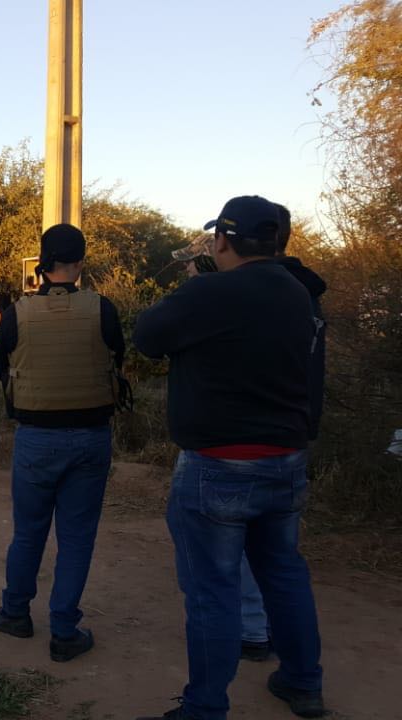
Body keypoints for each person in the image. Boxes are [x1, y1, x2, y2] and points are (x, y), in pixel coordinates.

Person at [134, 196, 324, 720]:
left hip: (219, 466)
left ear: (222, 239)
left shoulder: (211, 291)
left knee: (212, 590)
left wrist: (194, 285)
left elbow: (148, 337)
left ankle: (204, 707)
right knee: (284, 574)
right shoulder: (298, 292)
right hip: (286, 460)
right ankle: (303, 682)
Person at [0, 224, 124, 664]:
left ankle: (15, 612)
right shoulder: (103, 308)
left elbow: (2, 362)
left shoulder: (18, 312)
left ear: (42, 263)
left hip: (36, 438)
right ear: (80, 263)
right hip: (92, 437)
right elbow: (117, 355)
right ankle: (65, 629)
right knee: (77, 539)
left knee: (29, 533)